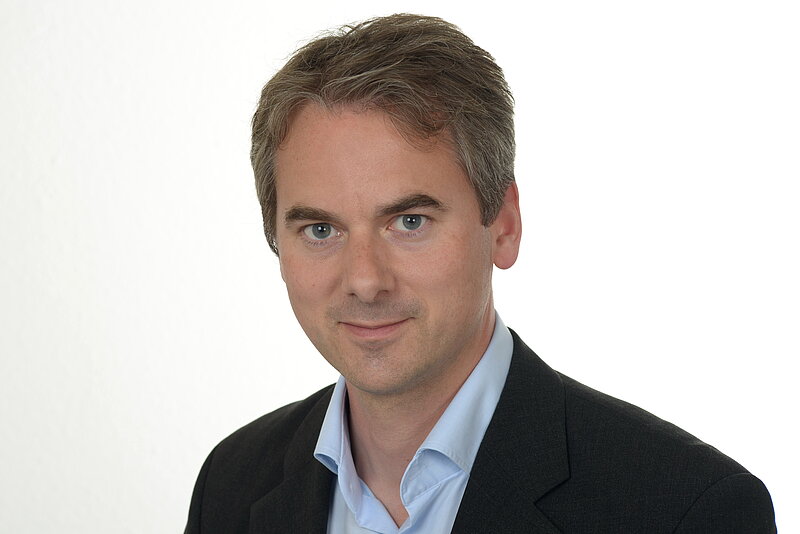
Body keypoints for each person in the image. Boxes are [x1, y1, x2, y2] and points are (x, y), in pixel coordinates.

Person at [184, 14, 776, 533]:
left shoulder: (685, 510)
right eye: (320, 230)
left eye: (409, 222)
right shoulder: (232, 484)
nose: (364, 280)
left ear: (504, 225)